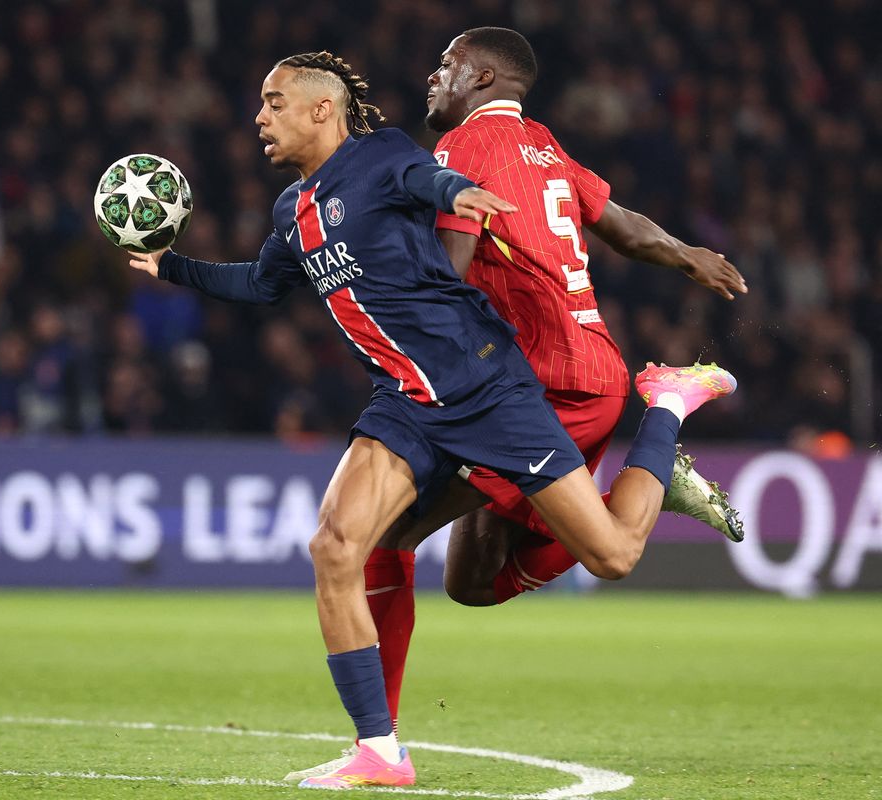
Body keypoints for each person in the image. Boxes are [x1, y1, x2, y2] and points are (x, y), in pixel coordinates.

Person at [125, 50, 736, 789]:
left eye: (273, 100)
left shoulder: (380, 155)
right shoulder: (294, 210)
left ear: (324, 109)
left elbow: (426, 178)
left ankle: (667, 407)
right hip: (407, 404)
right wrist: (173, 266)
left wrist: (461, 192)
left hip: (487, 388)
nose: (260, 115)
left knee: (611, 555)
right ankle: (379, 750)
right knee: (336, 546)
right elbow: (260, 284)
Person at [285, 27, 752, 786]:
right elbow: (623, 227)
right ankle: (650, 481)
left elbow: (447, 278)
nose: (432, 76)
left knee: (400, 537)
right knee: (470, 581)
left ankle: (665, 412)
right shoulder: (539, 144)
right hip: (559, 376)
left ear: (483, 75)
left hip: (538, 385)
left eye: (446, 64)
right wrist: (686, 254)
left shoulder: (463, 152)